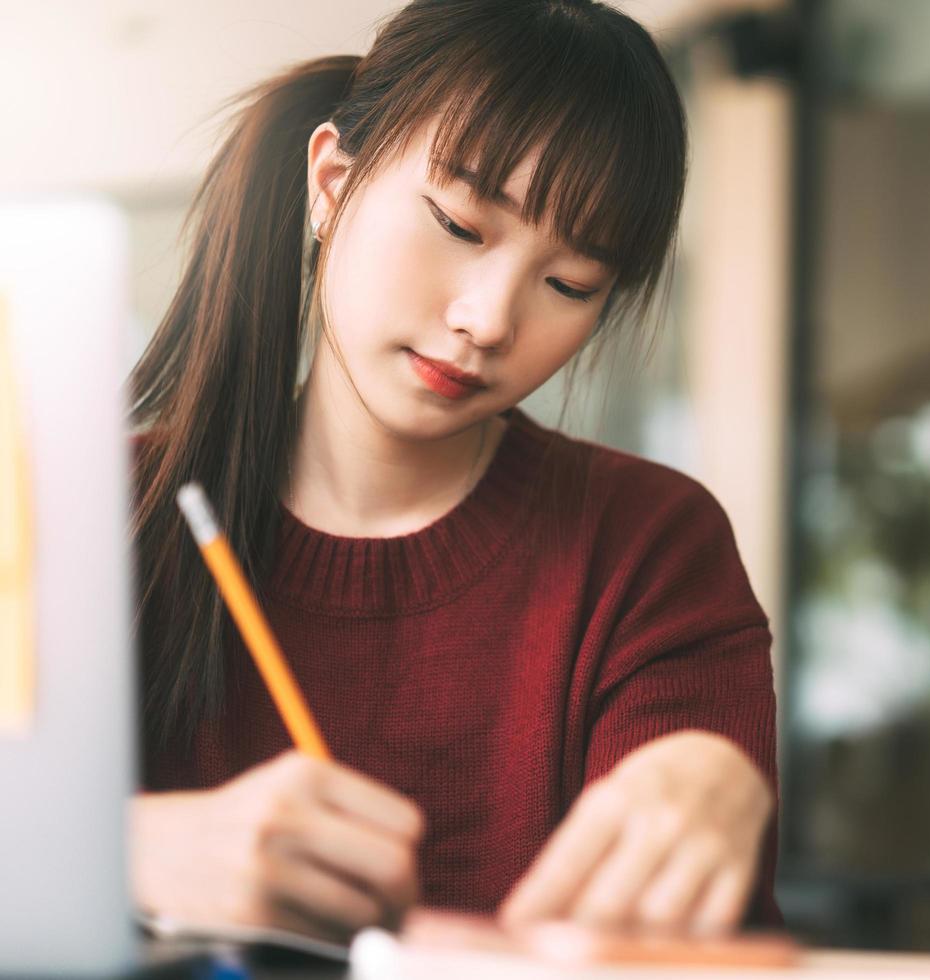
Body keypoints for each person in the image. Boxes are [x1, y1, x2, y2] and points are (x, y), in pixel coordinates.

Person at [125, 0, 779, 945]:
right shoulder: (100, 517)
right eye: (459, 225)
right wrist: (129, 847)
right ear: (332, 184)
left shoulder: (648, 547)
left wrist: (715, 790)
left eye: (569, 285)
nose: (489, 320)